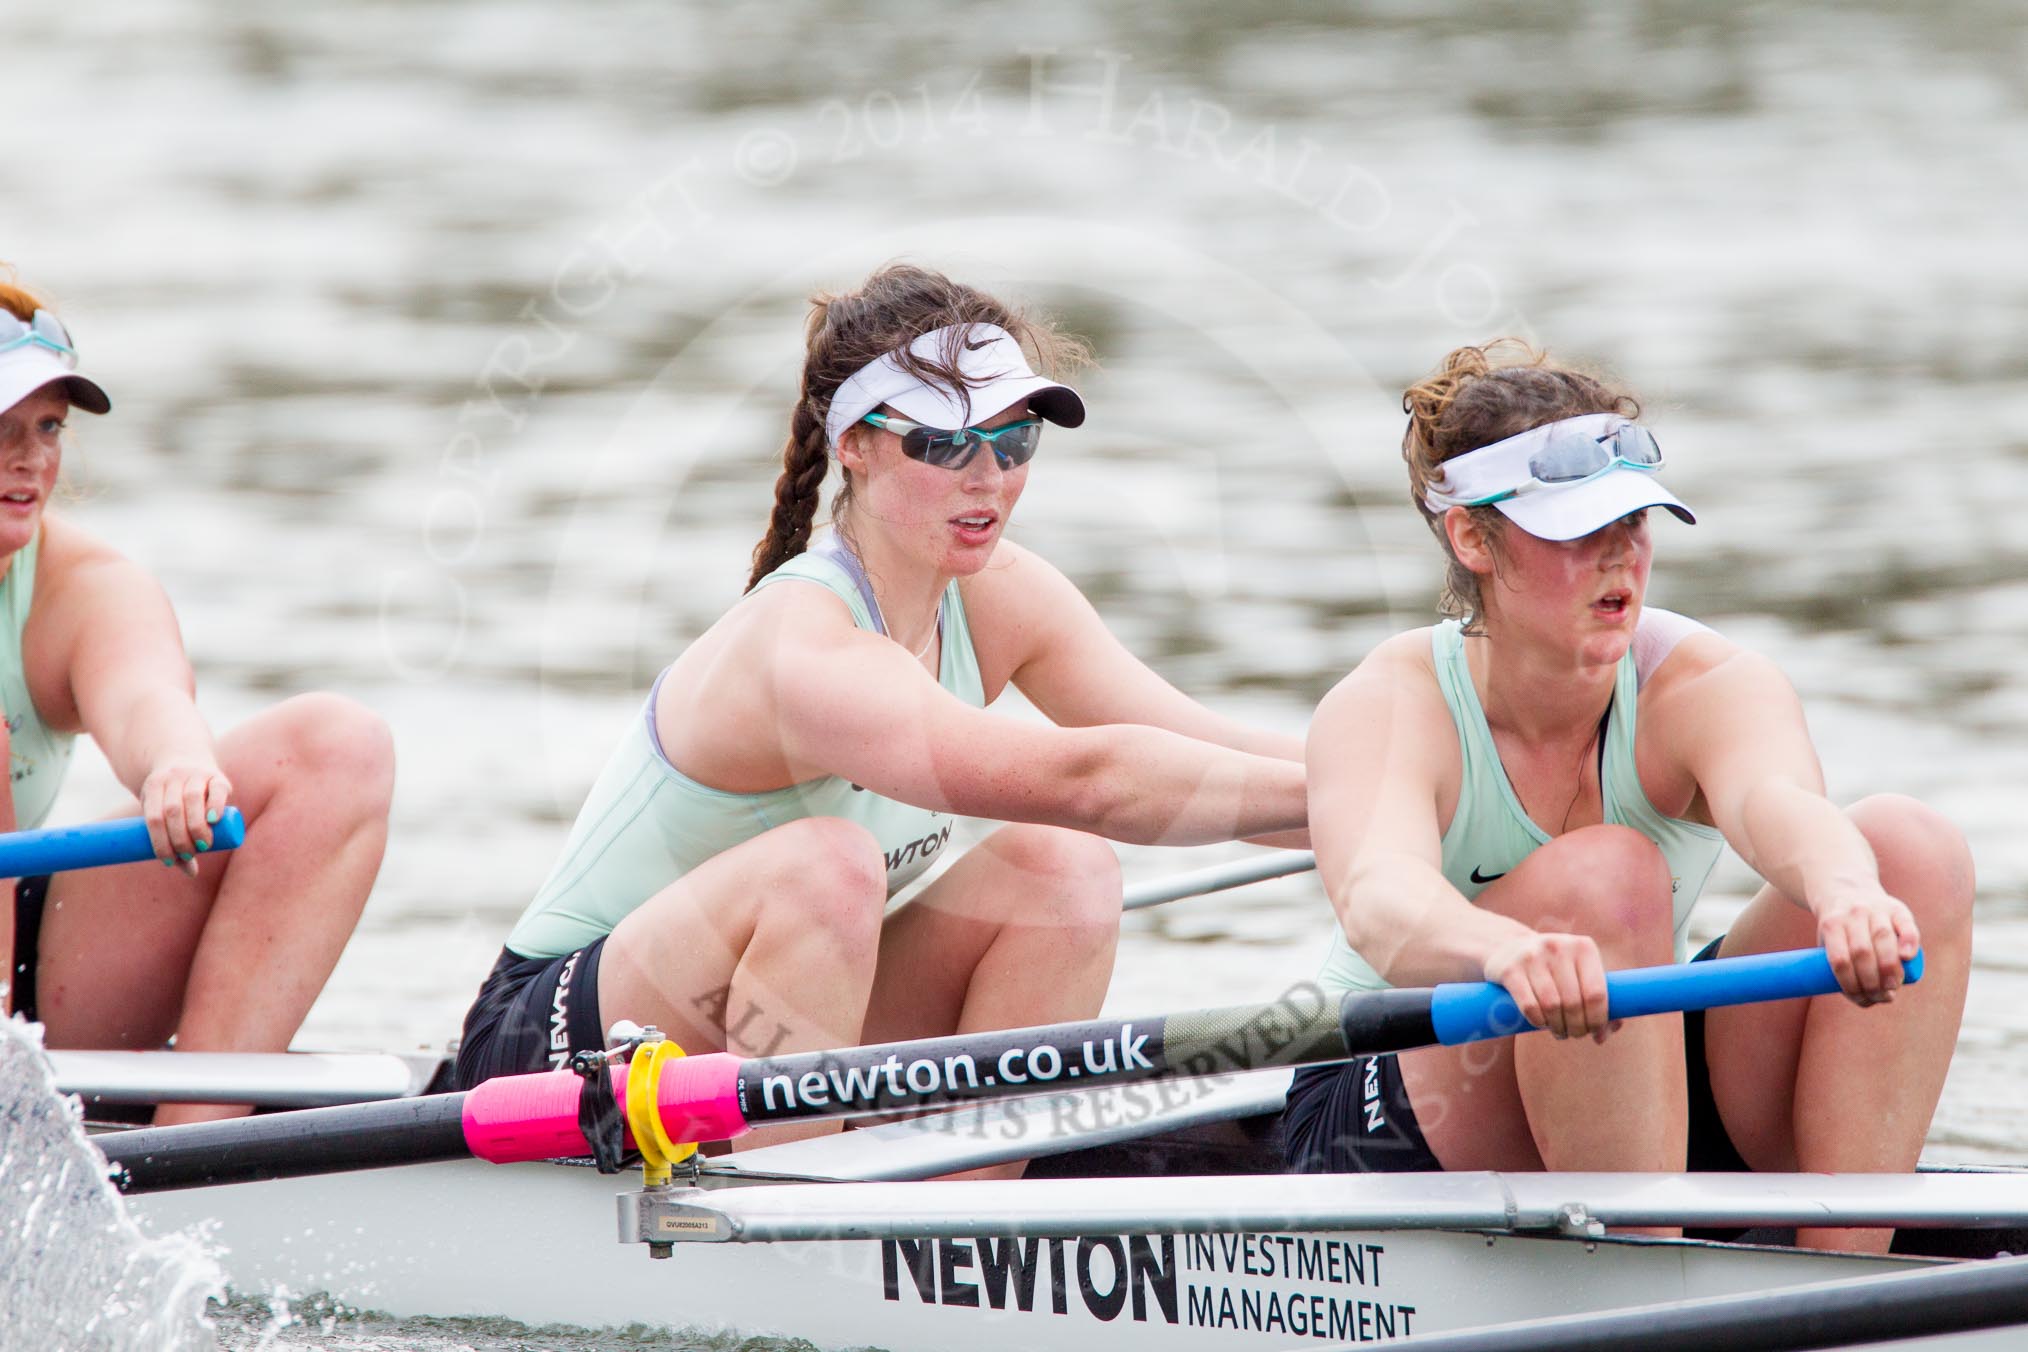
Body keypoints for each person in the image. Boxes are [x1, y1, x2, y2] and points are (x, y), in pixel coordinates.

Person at [453, 264, 1308, 1148]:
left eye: (1014, 440)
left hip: (763, 1026)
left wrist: (1418, 804)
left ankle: (968, 1227)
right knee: (831, 866)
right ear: (855, 444)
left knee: (1063, 870)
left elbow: (1210, 754)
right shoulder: (805, 641)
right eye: (945, 444)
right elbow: (1093, 780)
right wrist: (1357, 806)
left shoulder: (1002, 596)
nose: (989, 478)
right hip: (545, 1051)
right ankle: (790, 1230)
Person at [1284, 340, 1972, 1252]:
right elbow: (1380, 902)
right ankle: (1653, 1278)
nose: (1620, 558)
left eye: (1635, 523)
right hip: (1386, 1097)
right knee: (1606, 879)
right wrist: (1503, 950)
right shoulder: (1391, 701)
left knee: (1907, 849)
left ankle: (1841, 1284)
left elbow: (1782, 809)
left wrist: (1847, 888)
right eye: (1578, 529)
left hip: (1612, 1068)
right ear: (1472, 537)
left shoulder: (1708, 683)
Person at [0, 270, 395, 1126]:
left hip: (30, 964)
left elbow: (144, 695)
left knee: (337, 748)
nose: (29, 459)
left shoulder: (82, 585)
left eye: (47, 427)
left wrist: (177, 764)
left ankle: (194, 1160)